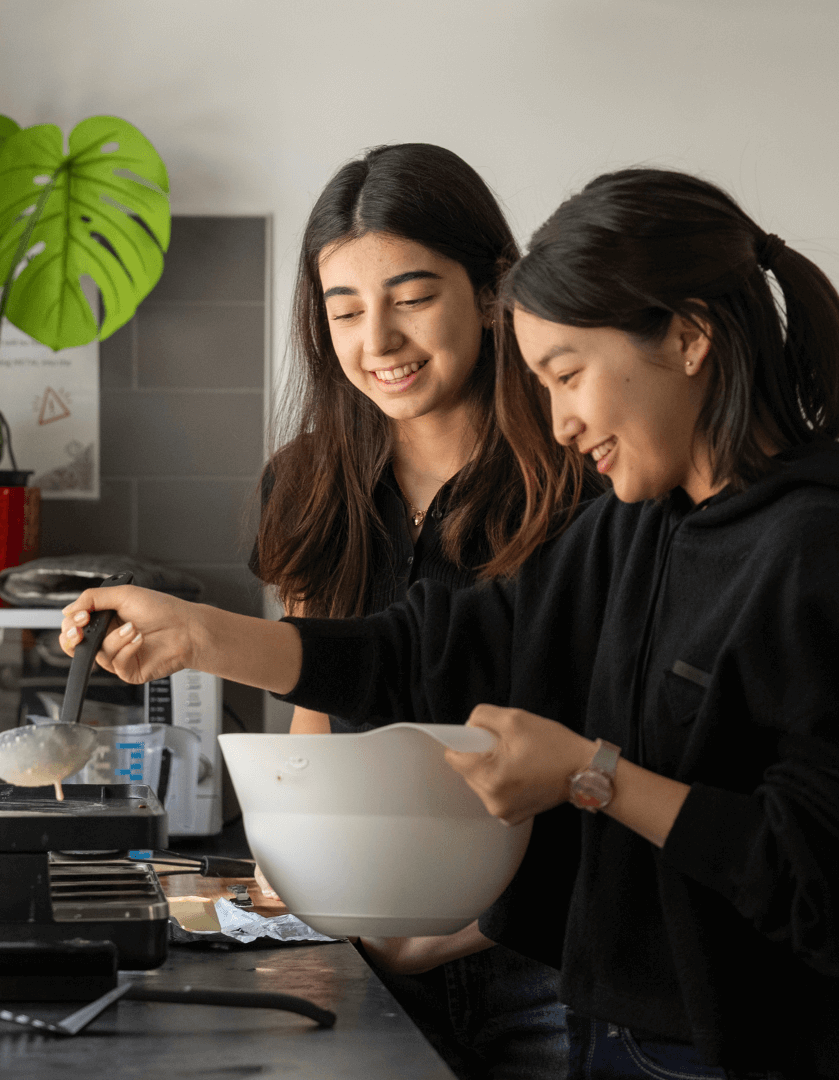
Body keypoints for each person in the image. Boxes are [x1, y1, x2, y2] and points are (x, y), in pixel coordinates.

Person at [63, 168, 839, 1080]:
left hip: (735, 1051)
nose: (562, 423)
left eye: (568, 376)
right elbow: (435, 646)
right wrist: (199, 634)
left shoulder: (820, 545)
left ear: (690, 336)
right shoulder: (639, 526)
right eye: (542, 383)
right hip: (618, 1027)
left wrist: (590, 775)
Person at [251, 142, 573, 1080]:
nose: (377, 341)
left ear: (491, 290)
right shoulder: (307, 484)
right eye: (344, 310)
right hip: (361, 950)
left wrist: (453, 935)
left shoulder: (578, 472)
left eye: (412, 296)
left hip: (536, 955)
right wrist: (293, 882)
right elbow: (314, 709)